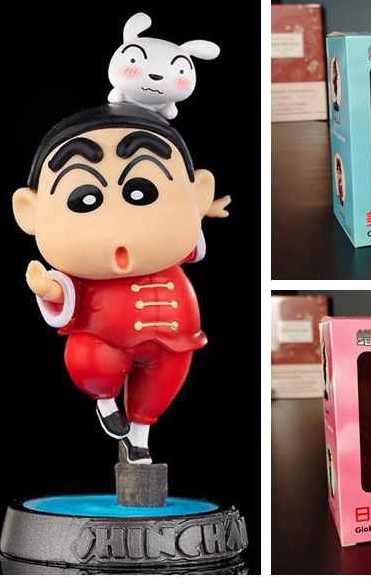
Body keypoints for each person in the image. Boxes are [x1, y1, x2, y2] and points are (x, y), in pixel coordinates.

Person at [13, 103, 230, 464]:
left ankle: (140, 440)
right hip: (103, 336)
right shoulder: (83, 276)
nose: (117, 222)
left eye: (142, 191)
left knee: (160, 388)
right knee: (90, 359)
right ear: (29, 211)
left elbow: (190, 240)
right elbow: (63, 293)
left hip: (176, 337)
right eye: (84, 200)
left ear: (198, 193)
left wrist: (199, 212)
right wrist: (46, 289)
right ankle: (106, 402)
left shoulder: (178, 247)